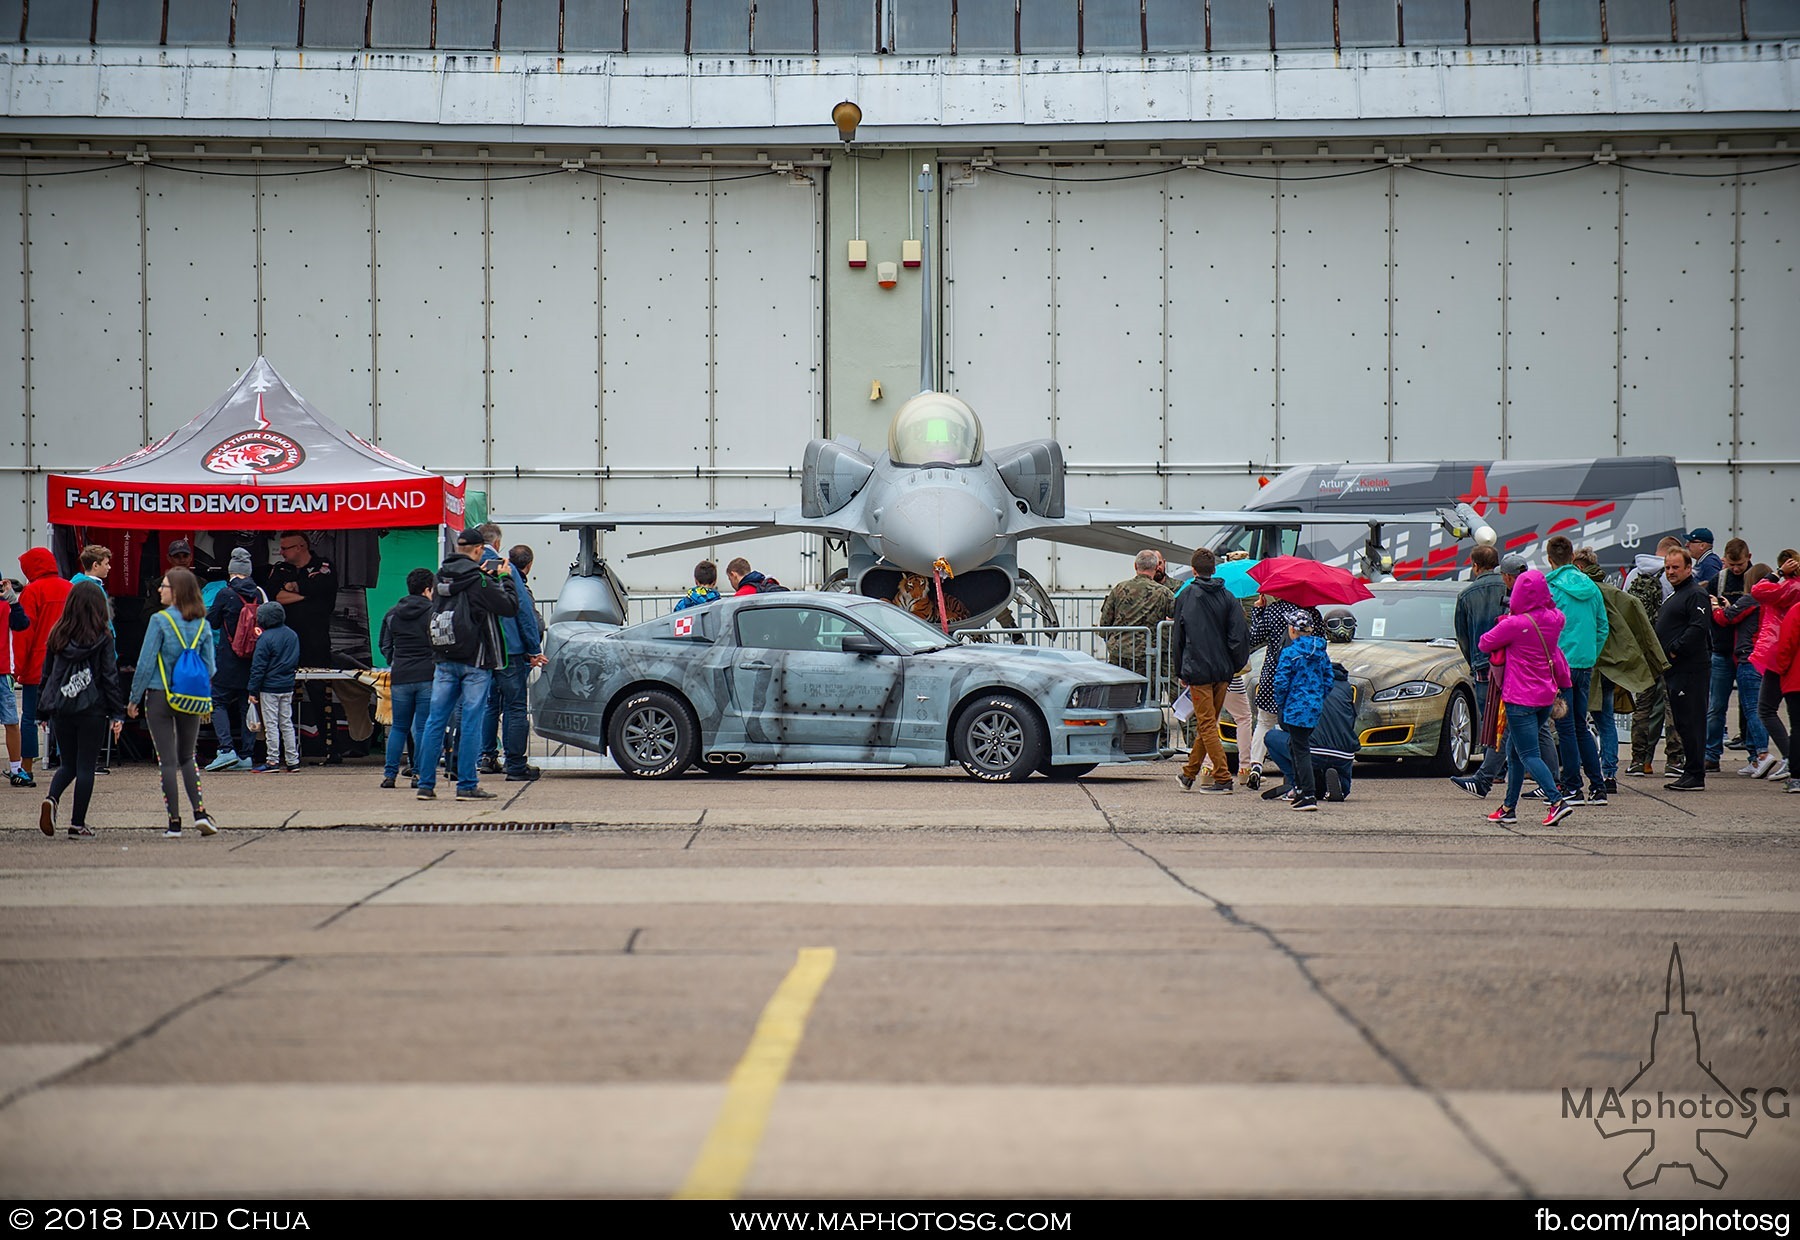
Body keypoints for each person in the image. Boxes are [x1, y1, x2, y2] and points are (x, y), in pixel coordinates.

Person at [414, 527, 519, 803]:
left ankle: (425, 784)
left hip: (445, 659)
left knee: (435, 721)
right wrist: (505, 580)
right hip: (475, 660)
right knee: (471, 721)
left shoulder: (439, 578)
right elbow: (508, 607)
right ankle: (467, 784)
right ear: (478, 550)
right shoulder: (478, 580)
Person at [1477, 568, 1575, 827]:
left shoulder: (1514, 623)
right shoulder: (1556, 619)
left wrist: (1506, 619)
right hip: (1545, 695)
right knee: (1515, 753)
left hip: (1519, 698)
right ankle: (1509, 807)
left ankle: (1556, 801)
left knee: (1529, 753)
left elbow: (1484, 643)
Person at [126, 567, 218, 838]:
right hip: (190, 697)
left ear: (176, 591)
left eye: (164, 586)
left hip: (159, 695)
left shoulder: (159, 620)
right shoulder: (203, 622)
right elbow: (211, 667)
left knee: (167, 762)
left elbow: (144, 663)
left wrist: (133, 698)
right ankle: (200, 812)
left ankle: (174, 823)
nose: (159, 590)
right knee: (188, 757)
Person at [1575, 546, 1669, 795]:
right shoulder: (1614, 593)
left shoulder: (1579, 592)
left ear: (1580, 567)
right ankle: (1609, 774)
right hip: (1608, 668)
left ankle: (1574, 775)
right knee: (1606, 722)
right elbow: (1638, 618)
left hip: (1584, 665)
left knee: (1576, 722)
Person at [35, 582, 126, 839]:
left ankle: (52, 798)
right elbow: (109, 676)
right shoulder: (103, 636)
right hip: (92, 709)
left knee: (68, 765)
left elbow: (47, 675)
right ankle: (77, 823)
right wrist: (117, 712)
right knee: (86, 766)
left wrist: (42, 710)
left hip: (62, 709)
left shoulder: (57, 634)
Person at [1170, 547, 1249, 794]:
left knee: (1206, 725)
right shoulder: (1228, 596)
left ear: (1194, 570)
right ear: (1214, 569)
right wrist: (1234, 665)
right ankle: (1189, 774)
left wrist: (1180, 669)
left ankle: (1223, 778)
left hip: (1198, 668)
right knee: (1209, 723)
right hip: (1223, 669)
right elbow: (1239, 636)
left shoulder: (1186, 596)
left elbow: (1178, 637)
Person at [1543, 535, 1609, 806]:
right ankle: (1598, 786)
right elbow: (1602, 626)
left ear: (1549, 560)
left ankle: (1572, 786)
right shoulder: (1591, 587)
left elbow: (1545, 628)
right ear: (1572, 557)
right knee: (1581, 726)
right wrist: (1591, 653)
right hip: (1585, 663)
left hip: (1560, 666)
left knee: (1565, 727)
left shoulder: (1550, 588)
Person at [265, 531, 340, 764]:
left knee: (320, 694)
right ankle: (286, 752)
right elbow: (274, 596)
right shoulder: (280, 569)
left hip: (316, 641)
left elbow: (324, 593)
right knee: (284, 696)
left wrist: (299, 589)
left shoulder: (324, 565)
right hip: (287, 643)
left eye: (286, 548)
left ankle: (331, 749)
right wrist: (305, 595)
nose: (282, 552)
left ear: (300, 547)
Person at [478, 544, 546, 783]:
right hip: (509, 650)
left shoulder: (462, 568)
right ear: (495, 545)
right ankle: (515, 764)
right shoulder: (504, 568)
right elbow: (523, 612)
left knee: (484, 706)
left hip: (476, 652)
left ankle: (482, 757)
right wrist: (532, 649)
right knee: (515, 707)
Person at [1244, 593, 1322, 791]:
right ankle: (1296, 772)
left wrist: (1258, 610)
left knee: (1264, 722)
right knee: (1296, 729)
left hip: (1274, 672)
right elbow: (1321, 643)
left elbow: (1254, 637)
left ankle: (1255, 766)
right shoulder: (1312, 613)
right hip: (1304, 679)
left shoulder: (1273, 610)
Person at [1626, 535, 1687, 776]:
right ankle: (1674, 760)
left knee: (1642, 706)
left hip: (1643, 650)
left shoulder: (1634, 574)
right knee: (1672, 704)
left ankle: (1638, 761)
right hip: (1668, 648)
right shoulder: (1672, 578)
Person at [1265, 647, 1358, 804]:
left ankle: (1296, 784)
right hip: (1344, 752)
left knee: (1272, 737)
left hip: (1311, 750)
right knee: (1340, 774)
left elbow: (1285, 723)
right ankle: (1340, 786)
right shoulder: (1345, 686)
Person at [1451, 544, 1509, 797]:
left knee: (1489, 719)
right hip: (1513, 661)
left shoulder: (1466, 594)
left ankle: (1493, 771)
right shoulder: (1509, 587)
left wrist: (1473, 660)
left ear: (1475, 566)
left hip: (1484, 664)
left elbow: (1462, 636)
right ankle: (1504, 766)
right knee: (1516, 716)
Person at [13, 547, 73, 787]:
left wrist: (17, 667)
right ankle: (68, 764)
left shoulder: (32, 591)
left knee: (29, 718)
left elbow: (24, 633)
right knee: (65, 716)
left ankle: (26, 768)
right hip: (67, 665)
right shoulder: (70, 588)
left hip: (37, 666)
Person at [1701, 538, 1762, 775]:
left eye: (1740, 564)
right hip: (1722, 650)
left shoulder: (1755, 579)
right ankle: (1711, 754)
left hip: (1748, 653)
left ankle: (1755, 754)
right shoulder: (1720, 579)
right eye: (1732, 564)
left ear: (1749, 557)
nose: (1737, 569)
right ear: (1725, 560)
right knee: (1716, 706)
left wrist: (1725, 609)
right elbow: (1706, 601)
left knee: (1750, 708)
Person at [1655, 545, 1712, 792]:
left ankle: (1695, 774)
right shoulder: (1675, 594)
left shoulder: (1695, 594)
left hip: (1690, 670)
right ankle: (1690, 771)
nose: (1670, 572)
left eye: (1676, 567)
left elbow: (1698, 628)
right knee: (1682, 722)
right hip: (1675, 671)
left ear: (1689, 568)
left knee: (1692, 721)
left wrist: (1674, 649)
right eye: (1667, 567)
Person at [203, 547, 264, 772]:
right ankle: (247, 755)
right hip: (253, 661)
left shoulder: (225, 594)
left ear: (231, 572)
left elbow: (213, 622)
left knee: (218, 701)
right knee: (247, 704)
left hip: (228, 658)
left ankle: (226, 750)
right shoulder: (259, 594)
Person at [1265, 611, 1332, 812]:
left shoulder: (1290, 653)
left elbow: (1281, 683)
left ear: (1293, 629)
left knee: (1301, 750)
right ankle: (1301, 790)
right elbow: (1328, 679)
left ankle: (1308, 793)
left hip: (1293, 707)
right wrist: (1317, 697)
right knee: (1297, 747)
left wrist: (1281, 703)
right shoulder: (1321, 652)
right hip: (1313, 708)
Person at [1710, 561, 1770, 777]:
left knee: (1752, 708)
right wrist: (1729, 607)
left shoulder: (1751, 598)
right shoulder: (1767, 599)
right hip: (1762, 658)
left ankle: (1761, 755)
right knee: (1756, 708)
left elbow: (1725, 619)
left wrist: (1716, 607)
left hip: (1747, 658)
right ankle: (1755, 759)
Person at [378, 568, 436, 790]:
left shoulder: (392, 613)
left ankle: (389, 775)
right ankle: (419, 774)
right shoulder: (433, 612)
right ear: (427, 589)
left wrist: (395, 660)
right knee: (421, 728)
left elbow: (384, 644)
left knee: (399, 727)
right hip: (427, 675)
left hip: (400, 675)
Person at [1748, 550, 1800, 782]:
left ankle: (1791, 758)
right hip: (1784, 656)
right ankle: (1792, 758)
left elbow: (1757, 590)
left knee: (1767, 709)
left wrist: (1777, 574)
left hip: (1779, 655)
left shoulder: (1789, 588)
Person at [1098, 550, 1174, 679]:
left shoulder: (1119, 589)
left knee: (1119, 694)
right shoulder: (1163, 593)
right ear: (1156, 567)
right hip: (1148, 653)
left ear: (1135, 566)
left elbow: (1105, 622)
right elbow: (1175, 615)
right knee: (1149, 695)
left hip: (1120, 652)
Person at [247, 600, 301, 774]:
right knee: (286, 722)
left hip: (269, 687)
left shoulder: (265, 638)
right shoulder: (292, 635)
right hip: (287, 685)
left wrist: (252, 690)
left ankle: (272, 760)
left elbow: (258, 667)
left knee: (271, 724)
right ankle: (293, 761)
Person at [1768, 590, 1800, 793]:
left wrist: (1780, 669)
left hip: (1796, 680)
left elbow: (1786, 645)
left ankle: (1796, 776)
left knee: (1797, 727)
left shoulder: (1796, 611)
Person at [0, 576, 30, 784]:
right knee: (11, 721)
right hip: (3, 670)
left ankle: (16, 768)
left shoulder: (6, 607)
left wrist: (14, 602)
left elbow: (22, 624)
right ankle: (15, 768)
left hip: (3, 671)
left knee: (11, 721)